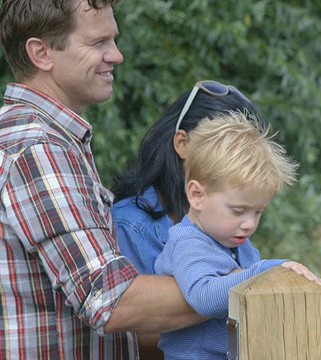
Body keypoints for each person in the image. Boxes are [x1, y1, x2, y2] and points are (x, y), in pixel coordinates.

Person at [0, 1, 204, 359]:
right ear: (41, 53)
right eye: (98, 43)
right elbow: (111, 298)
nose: (117, 55)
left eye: (114, 40)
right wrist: (245, 286)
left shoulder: (42, 139)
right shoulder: (39, 148)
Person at [153, 110, 321, 359]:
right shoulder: (188, 243)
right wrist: (266, 271)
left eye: (258, 212)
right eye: (238, 211)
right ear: (197, 195)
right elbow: (203, 296)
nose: (249, 224)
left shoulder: (236, 241)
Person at [111, 80, 261, 358]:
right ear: (182, 143)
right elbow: (130, 331)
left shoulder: (226, 220)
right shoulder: (130, 222)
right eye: (224, 149)